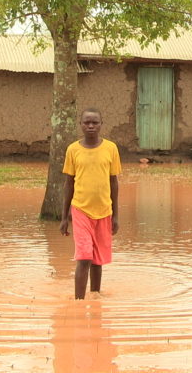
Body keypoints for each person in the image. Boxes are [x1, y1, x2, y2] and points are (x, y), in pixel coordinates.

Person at [59, 108, 121, 300]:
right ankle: (78, 302)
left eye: (95, 122)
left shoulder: (111, 148)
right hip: (80, 210)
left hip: (104, 211)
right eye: (87, 122)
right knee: (84, 258)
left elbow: (114, 183)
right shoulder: (73, 150)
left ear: (101, 124)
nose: (91, 126)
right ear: (81, 125)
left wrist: (116, 215)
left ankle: (95, 297)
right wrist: (64, 217)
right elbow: (69, 183)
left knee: (97, 260)